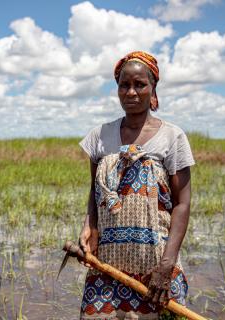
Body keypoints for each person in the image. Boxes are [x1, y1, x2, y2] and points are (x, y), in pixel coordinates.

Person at [78, 51, 195, 320]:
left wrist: (166, 266)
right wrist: (89, 226)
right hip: (108, 263)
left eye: (139, 84)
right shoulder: (100, 135)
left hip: (154, 263)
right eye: (124, 85)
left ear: (152, 88)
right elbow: (95, 193)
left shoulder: (172, 136)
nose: (131, 92)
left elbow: (182, 204)